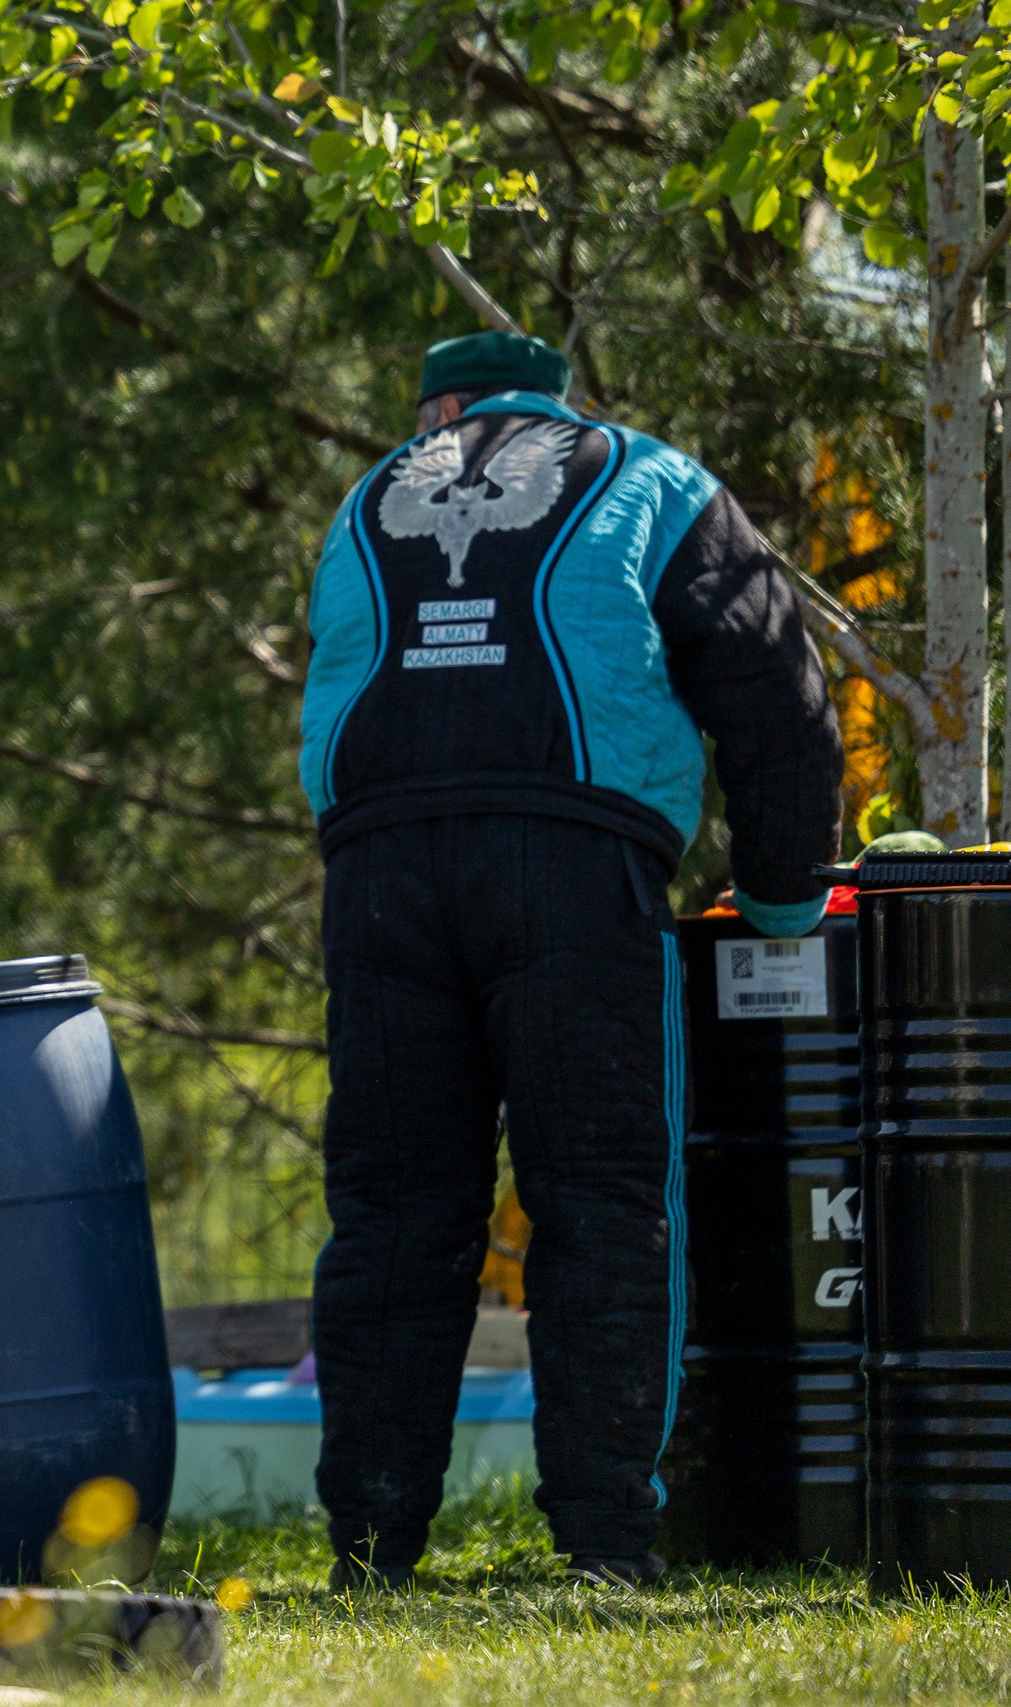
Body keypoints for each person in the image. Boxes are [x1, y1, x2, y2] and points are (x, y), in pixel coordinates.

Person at [297, 332, 841, 1590]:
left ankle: (373, 1548)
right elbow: (776, 689)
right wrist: (775, 898)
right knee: (600, 1200)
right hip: (571, 866)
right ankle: (604, 1542)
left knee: (389, 1212)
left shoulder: (373, 488)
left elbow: (339, 675)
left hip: (380, 879)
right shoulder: (648, 476)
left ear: (441, 402)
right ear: (552, 399)